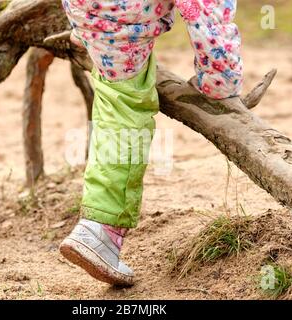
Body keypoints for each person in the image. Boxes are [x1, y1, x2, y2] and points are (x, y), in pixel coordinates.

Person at [59, 0, 243, 286]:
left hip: (85, 9)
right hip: (122, 23)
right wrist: (221, 83)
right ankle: (100, 232)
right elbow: (210, 23)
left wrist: (82, 25)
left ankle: (89, 35)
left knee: (112, 78)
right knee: (126, 109)